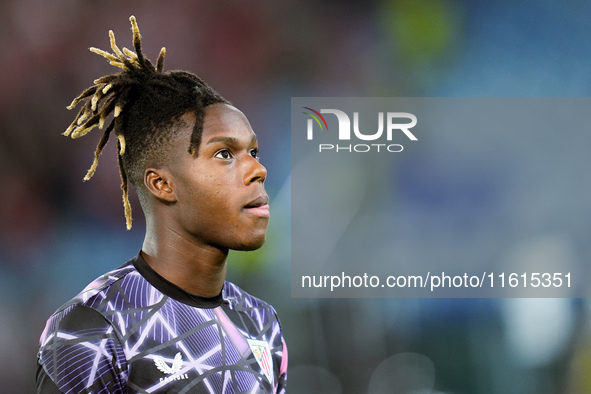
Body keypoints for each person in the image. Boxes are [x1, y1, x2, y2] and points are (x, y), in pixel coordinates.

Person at [36, 16, 287, 393]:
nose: (257, 169)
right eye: (223, 153)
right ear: (162, 184)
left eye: (253, 151)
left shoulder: (262, 322)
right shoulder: (93, 328)